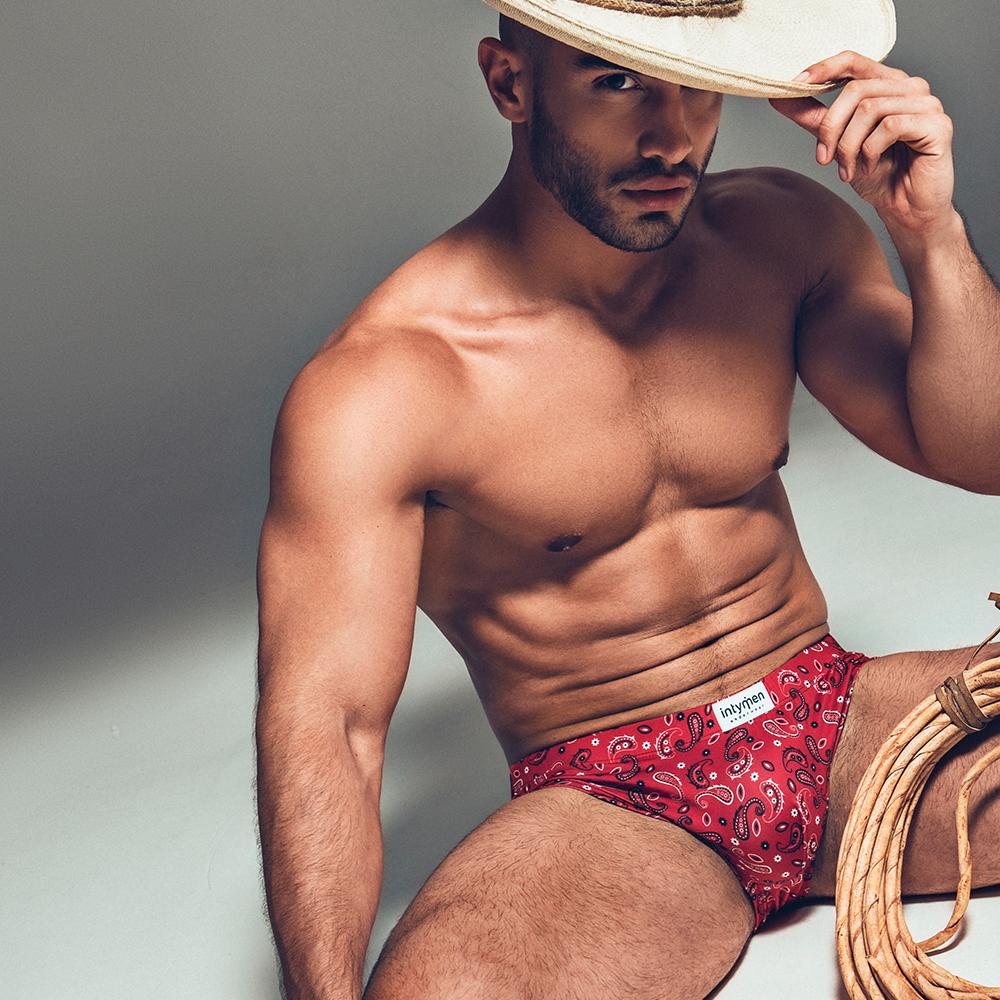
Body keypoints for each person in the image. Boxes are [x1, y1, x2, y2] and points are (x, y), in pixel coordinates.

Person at [254, 2, 1000, 997]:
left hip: (847, 728)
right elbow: (330, 729)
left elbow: (979, 453)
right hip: (611, 807)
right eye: (617, 80)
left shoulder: (777, 239)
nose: (670, 132)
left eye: (695, 85)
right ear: (510, 84)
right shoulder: (384, 386)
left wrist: (927, 234)